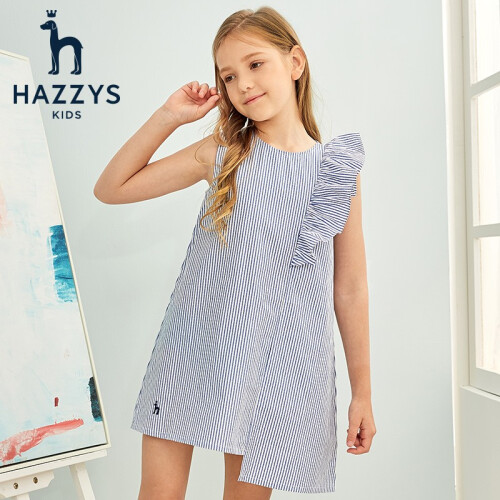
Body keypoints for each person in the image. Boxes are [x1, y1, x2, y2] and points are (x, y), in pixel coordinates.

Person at [94, 6, 376, 500]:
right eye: (228, 76)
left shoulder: (334, 170)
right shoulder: (222, 152)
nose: (242, 84)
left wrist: (362, 393)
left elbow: (350, 288)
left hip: (278, 366)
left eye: (255, 64)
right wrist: (168, 117)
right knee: (159, 493)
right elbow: (111, 188)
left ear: (295, 62)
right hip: (192, 350)